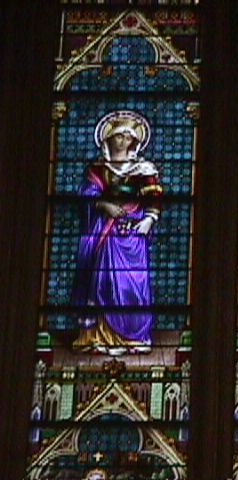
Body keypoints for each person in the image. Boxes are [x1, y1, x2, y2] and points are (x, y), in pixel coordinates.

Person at [71, 111, 162, 356]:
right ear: (108, 139)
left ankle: (134, 337)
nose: (123, 141)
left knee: (133, 284)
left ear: (135, 141)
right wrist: (104, 205)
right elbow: (87, 194)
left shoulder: (143, 169)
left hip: (133, 234)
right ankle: (101, 336)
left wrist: (149, 219)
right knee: (103, 281)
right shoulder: (98, 170)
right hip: (106, 232)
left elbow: (154, 196)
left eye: (128, 137)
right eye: (118, 136)